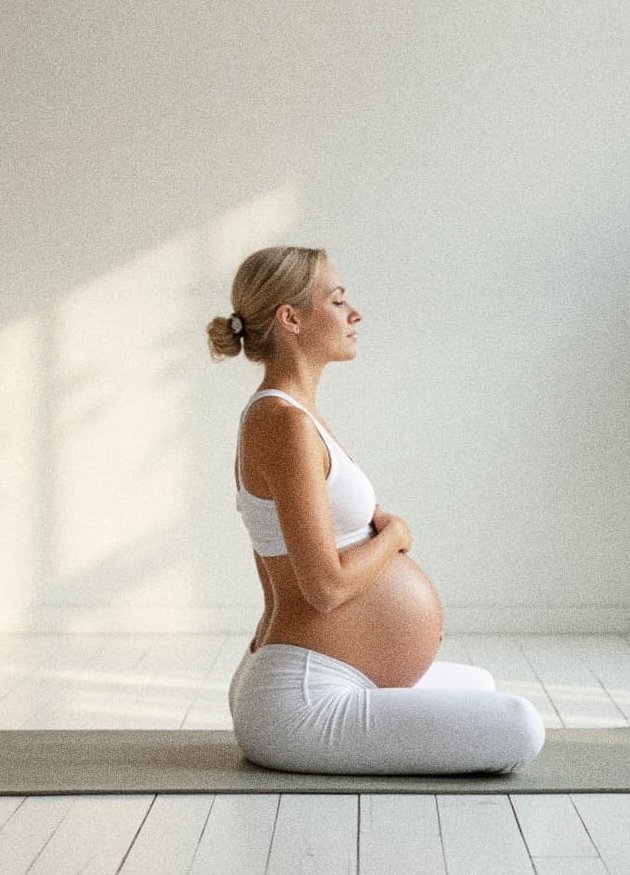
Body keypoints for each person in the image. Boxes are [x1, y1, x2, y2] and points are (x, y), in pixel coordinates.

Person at [206, 245, 546, 775]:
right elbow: (324, 587)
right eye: (338, 301)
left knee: (480, 687)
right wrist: (395, 537)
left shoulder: (293, 415)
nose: (354, 314)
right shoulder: (282, 423)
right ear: (290, 318)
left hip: (315, 677)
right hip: (302, 700)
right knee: (520, 726)